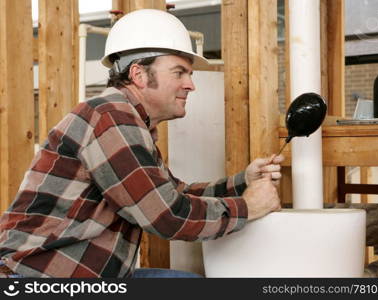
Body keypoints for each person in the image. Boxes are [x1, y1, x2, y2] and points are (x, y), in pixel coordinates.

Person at [0, 9, 283, 278]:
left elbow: (173, 194)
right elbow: (168, 216)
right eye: (179, 72)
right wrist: (247, 207)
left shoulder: (129, 121)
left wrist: (242, 182)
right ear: (138, 74)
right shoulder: (110, 118)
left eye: (190, 75)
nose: (190, 85)